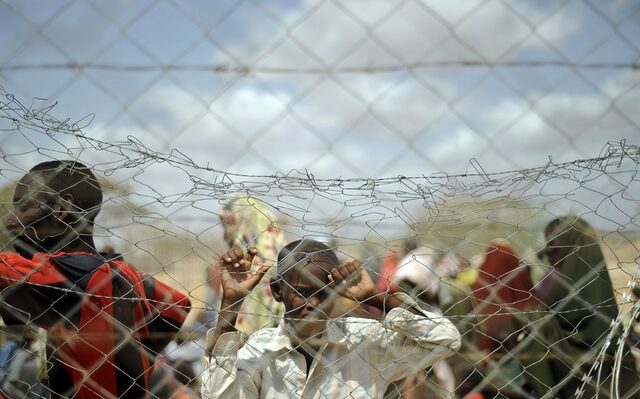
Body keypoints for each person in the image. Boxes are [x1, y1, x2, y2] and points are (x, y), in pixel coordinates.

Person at [1, 160, 191, 398]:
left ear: (60, 209)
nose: (10, 221)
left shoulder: (63, 272)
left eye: (23, 207)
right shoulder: (123, 273)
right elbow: (178, 304)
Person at [201, 239, 461, 398]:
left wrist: (374, 296)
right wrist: (230, 305)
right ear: (278, 291)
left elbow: (446, 339)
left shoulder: (364, 340)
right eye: (301, 293)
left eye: (323, 293)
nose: (313, 303)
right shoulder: (261, 349)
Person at [519, 216, 640, 398]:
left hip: (578, 372)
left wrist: (535, 319)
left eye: (552, 241)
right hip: (609, 374)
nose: (547, 249)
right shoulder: (589, 273)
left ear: (570, 242)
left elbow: (577, 329)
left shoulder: (566, 281)